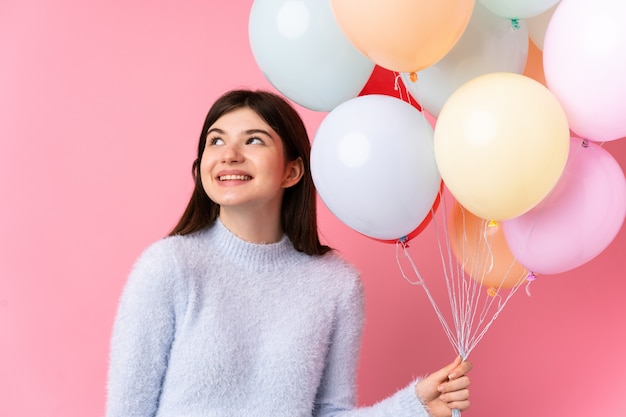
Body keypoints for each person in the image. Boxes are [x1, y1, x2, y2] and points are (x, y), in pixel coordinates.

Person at [105, 89, 472, 417]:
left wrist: (414, 408)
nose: (229, 155)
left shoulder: (336, 284)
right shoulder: (168, 267)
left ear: (292, 171)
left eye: (253, 141)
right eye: (215, 142)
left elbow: (329, 413)